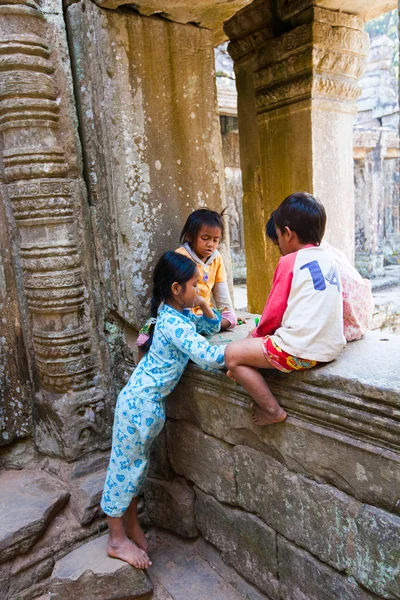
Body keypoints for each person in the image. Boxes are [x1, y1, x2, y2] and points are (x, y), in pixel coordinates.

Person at [101, 251, 226, 569]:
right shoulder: (173, 324)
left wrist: (205, 305)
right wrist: (249, 354)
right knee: (123, 472)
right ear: (175, 288)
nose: (199, 290)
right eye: (194, 285)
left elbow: (209, 328)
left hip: (143, 407)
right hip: (138, 407)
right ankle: (116, 540)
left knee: (134, 471)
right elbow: (209, 355)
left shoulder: (173, 314)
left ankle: (131, 528)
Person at [225, 192, 346, 426]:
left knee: (232, 355)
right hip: (329, 348)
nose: (279, 243)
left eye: (279, 235)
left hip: (299, 351)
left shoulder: (290, 261)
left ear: (288, 233)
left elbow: (272, 315)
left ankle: (272, 411)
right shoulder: (330, 258)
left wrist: (249, 342)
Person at [265, 212, 373, 342]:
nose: (280, 251)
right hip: (362, 317)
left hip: (342, 326)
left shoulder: (298, 260)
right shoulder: (325, 250)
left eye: (278, 244)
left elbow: (275, 313)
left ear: (288, 235)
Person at [175, 208, 238, 330]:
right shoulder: (181, 256)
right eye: (205, 238)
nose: (211, 244)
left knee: (231, 320)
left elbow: (221, 291)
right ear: (189, 236)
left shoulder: (216, 258)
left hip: (206, 313)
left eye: (215, 240)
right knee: (184, 324)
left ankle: (205, 327)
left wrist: (228, 313)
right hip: (185, 314)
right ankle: (203, 328)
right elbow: (176, 295)